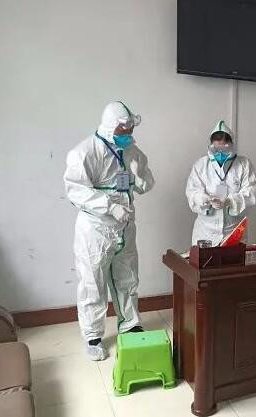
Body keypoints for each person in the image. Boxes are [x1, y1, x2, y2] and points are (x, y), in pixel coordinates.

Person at [64, 101, 154, 361]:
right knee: (93, 282)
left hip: (125, 226)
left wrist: (139, 177)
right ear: (109, 126)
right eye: (123, 129)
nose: (128, 134)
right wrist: (109, 207)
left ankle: (130, 324)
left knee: (128, 277)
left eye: (130, 129)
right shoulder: (85, 152)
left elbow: (147, 184)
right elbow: (76, 190)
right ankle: (93, 336)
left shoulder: (132, 151)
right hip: (96, 229)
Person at [186, 120, 256, 247]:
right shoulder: (201, 165)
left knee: (234, 260)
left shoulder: (244, 164)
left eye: (224, 149)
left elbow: (252, 192)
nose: (220, 153)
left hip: (234, 232)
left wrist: (230, 201)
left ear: (231, 145)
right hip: (205, 233)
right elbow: (192, 192)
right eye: (216, 149)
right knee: (204, 260)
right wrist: (206, 199)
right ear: (210, 146)